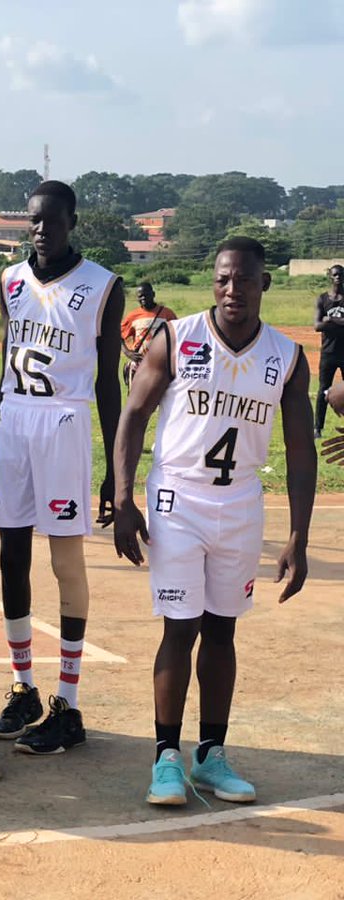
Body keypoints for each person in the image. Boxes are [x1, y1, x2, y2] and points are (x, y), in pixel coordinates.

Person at [113, 236, 314, 805]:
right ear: (213, 282)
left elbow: (300, 451)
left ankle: (211, 753)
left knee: (223, 627)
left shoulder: (286, 356)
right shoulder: (176, 339)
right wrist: (124, 498)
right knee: (181, 626)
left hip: (243, 504)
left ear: (264, 284)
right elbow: (133, 416)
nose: (232, 290)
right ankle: (166, 757)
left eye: (244, 280)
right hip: (179, 498)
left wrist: (299, 537)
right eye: (223, 279)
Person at [0, 180, 126, 755]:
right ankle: (23, 687)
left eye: (52, 221)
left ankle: (69, 703)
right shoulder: (10, 280)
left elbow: (108, 382)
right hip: (14, 421)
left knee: (65, 557)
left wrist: (116, 467)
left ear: (71, 223)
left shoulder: (102, 285)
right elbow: (5, 377)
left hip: (63, 423)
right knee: (11, 554)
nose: (41, 230)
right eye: (34, 221)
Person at [120, 282, 176, 389]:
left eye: (146, 295)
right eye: (140, 296)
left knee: (160, 397)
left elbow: (177, 335)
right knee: (136, 399)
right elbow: (118, 335)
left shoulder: (167, 314)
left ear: (153, 294)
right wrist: (127, 352)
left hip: (161, 364)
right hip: (139, 363)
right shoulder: (133, 315)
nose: (143, 298)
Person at [313, 265, 344, 439]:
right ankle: (317, 428)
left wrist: (330, 319)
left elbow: (324, 322)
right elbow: (317, 326)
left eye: (341, 275)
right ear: (330, 278)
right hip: (328, 353)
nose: (338, 277)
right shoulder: (323, 299)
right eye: (335, 275)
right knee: (323, 390)